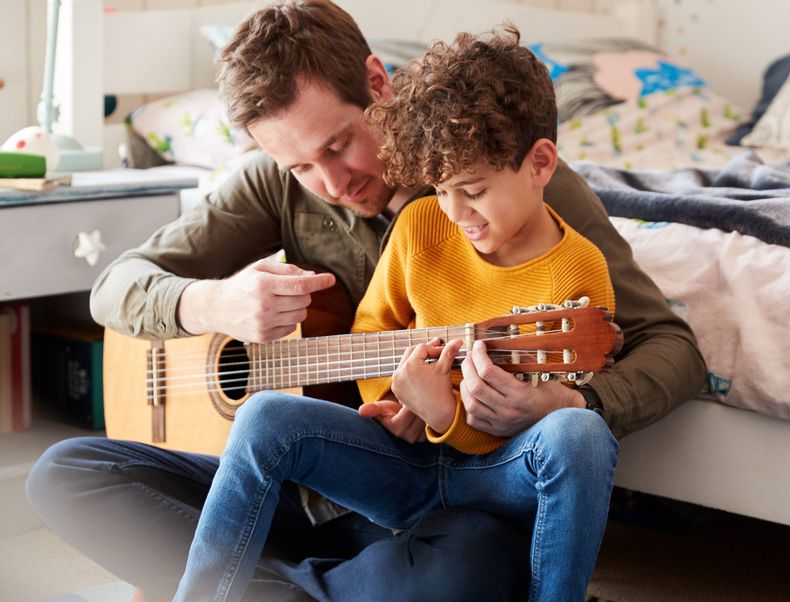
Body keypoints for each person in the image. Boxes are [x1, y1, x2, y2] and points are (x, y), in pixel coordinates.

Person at [25, 1, 705, 600]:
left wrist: (574, 403)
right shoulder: (272, 185)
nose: (330, 182)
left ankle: (257, 582)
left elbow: (670, 347)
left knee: (464, 570)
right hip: (300, 483)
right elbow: (116, 287)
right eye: (298, 166)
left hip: (436, 500)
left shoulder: (506, 182)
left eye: (340, 144)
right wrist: (216, 304)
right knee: (67, 474)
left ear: (378, 85)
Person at [174, 27, 617, 602]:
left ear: (540, 164)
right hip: (403, 466)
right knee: (261, 417)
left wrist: (447, 414)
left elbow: (547, 432)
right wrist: (400, 396)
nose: (456, 213)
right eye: (439, 190)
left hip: (496, 474)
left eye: (473, 190)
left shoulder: (576, 267)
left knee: (579, 432)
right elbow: (372, 330)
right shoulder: (422, 223)